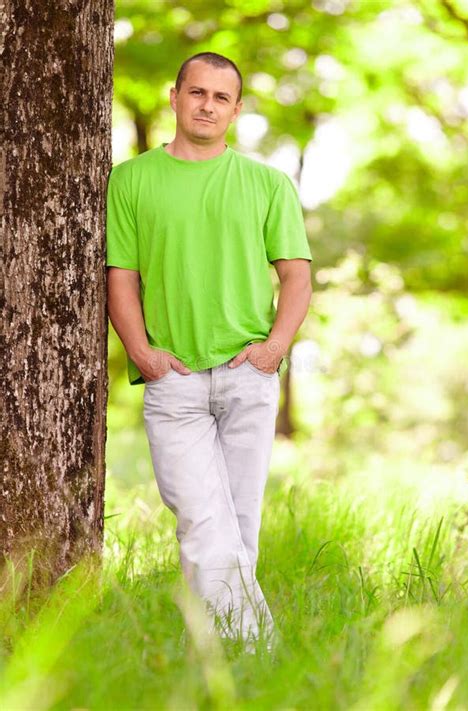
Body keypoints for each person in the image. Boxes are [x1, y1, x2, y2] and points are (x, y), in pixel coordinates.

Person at [106, 51, 313, 651]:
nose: (207, 105)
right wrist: (141, 353)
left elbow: (296, 276)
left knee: (238, 527)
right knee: (203, 522)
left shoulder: (267, 184)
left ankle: (214, 658)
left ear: (236, 109)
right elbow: (121, 276)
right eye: (197, 93)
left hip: (247, 374)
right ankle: (259, 654)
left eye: (221, 98)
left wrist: (274, 348)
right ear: (175, 96)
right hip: (174, 380)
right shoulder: (132, 179)